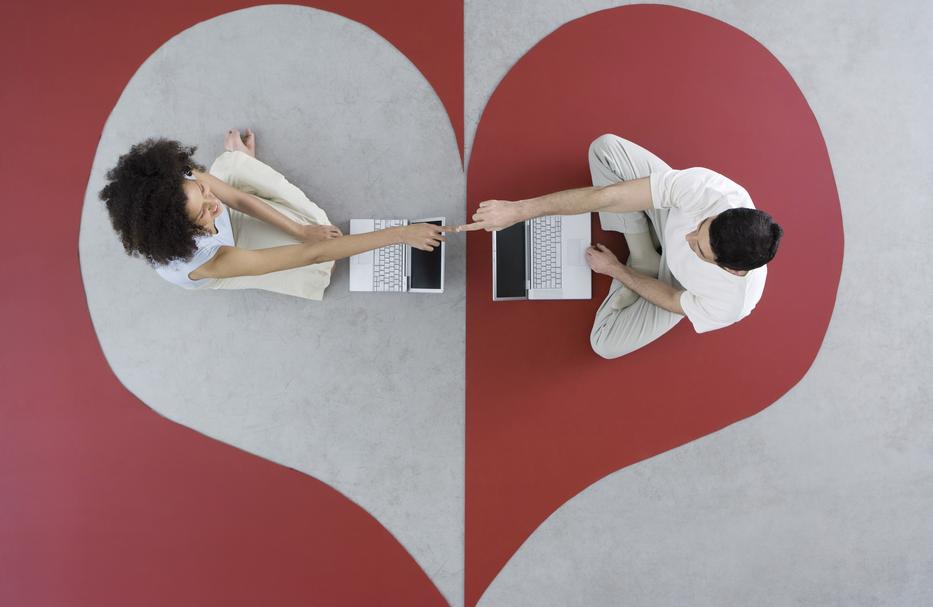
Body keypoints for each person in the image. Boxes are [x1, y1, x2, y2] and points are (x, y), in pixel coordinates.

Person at [459, 134, 783, 359]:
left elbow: (672, 299)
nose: (689, 239)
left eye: (699, 249)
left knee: (605, 343)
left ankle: (641, 260)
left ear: (732, 269)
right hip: (664, 215)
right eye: (700, 227)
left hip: (676, 284)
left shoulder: (732, 304)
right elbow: (608, 197)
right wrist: (519, 210)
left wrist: (617, 270)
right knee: (606, 150)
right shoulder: (711, 191)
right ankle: (643, 248)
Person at [99, 129, 451, 300]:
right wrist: (401, 234)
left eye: (203, 192)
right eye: (204, 213)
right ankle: (239, 164)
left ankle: (240, 162)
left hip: (217, 232)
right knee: (315, 266)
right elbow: (313, 253)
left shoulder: (182, 181)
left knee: (309, 221)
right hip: (225, 257)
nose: (213, 204)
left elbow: (236, 198)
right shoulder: (204, 261)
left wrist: (299, 229)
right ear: (182, 230)